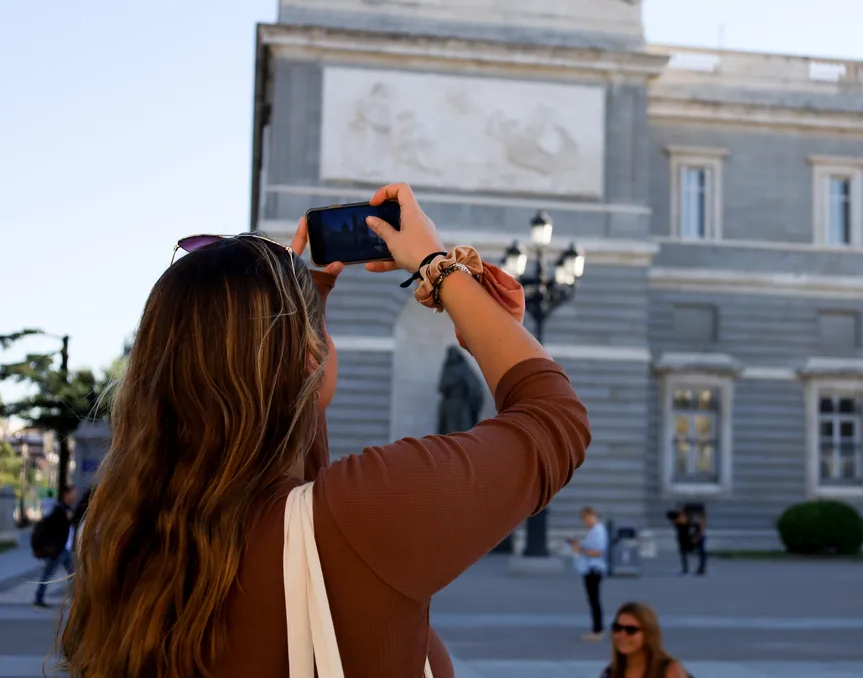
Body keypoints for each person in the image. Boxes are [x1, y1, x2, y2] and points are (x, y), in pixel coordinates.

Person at [59, 183, 592, 678]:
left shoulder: (127, 540)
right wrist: (439, 267)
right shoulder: (356, 517)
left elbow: (291, 465)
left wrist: (306, 305)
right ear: (310, 356)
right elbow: (555, 419)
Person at [599, 602, 689, 678]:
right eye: (617, 628)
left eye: (631, 630)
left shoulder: (669, 671)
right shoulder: (611, 673)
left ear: (648, 633)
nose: (622, 635)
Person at [32, 485, 76, 608]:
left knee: (72, 573)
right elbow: (56, 529)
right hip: (58, 549)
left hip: (63, 549)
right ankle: (38, 598)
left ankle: (75, 599)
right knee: (49, 574)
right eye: (73, 493)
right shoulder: (60, 509)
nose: (74, 495)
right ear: (66, 495)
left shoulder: (65, 509)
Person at [573, 506, 610, 641]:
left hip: (595, 568)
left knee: (594, 600)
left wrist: (581, 549)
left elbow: (599, 552)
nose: (585, 522)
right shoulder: (594, 531)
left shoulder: (598, 531)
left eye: (586, 518)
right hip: (591, 568)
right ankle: (597, 628)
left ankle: (598, 630)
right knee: (593, 600)